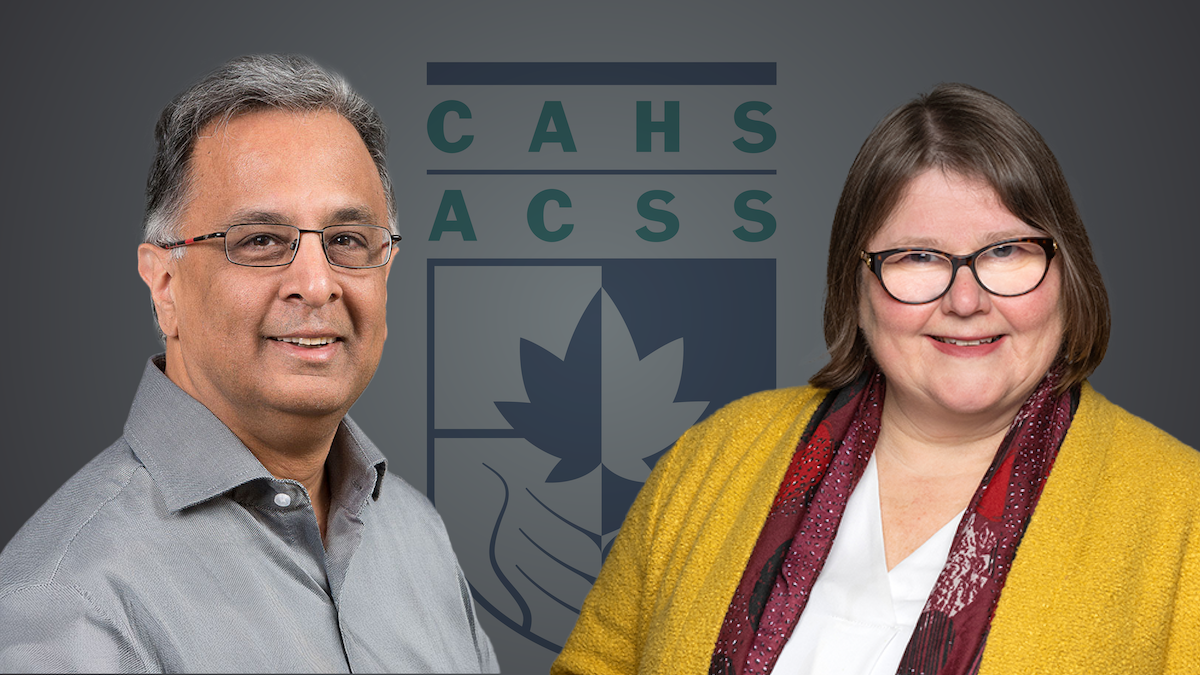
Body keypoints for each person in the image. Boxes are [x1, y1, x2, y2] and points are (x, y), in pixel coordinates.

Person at [552, 84, 1199, 675]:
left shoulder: (1183, 513)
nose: (966, 301)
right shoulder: (713, 456)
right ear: (855, 284)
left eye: (1006, 250)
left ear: (1067, 270)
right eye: (918, 256)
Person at [0, 54, 499, 673]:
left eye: (347, 240)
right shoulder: (71, 605)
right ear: (164, 286)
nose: (316, 285)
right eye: (260, 241)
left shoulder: (417, 536)